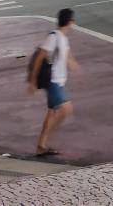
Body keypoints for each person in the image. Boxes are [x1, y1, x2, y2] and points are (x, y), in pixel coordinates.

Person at [28, 8, 79, 157]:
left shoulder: (63, 38)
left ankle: (41, 146)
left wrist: (73, 64)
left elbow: (67, 57)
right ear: (70, 22)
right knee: (67, 110)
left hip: (59, 81)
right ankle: (47, 138)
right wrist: (32, 81)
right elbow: (39, 58)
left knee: (52, 113)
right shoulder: (54, 37)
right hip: (53, 81)